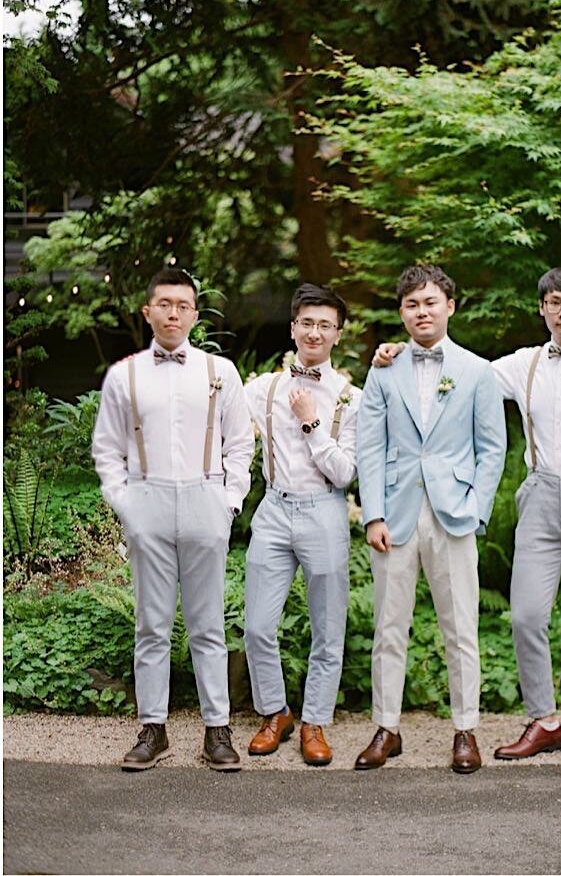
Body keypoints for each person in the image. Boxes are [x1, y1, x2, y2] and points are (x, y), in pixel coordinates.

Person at [371, 266, 561, 768]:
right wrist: (393, 353)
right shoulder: (522, 364)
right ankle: (545, 721)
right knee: (525, 617)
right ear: (542, 308)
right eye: (553, 302)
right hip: (540, 495)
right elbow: (458, 372)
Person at [91, 267, 254, 772]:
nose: (173, 313)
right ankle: (153, 727)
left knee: (208, 624)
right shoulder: (125, 375)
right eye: (164, 304)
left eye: (183, 305)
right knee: (152, 624)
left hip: (206, 497)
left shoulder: (219, 372)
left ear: (195, 314)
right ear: (148, 311)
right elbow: (107, 449)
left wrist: (228, 501)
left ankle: (217, 730)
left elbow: (240, 442)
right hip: (149, 501)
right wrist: (128, 507)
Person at [354, 264, 505, 774]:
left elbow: (493, 450)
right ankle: (386, 728)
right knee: (389, 627)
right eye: (413, 304)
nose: (423, 311)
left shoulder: (477, 371)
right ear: (402, 312)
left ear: (450, 307)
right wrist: (372, 513)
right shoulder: (382, 370)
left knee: (460, 627)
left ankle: (465, 730)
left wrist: (476, 510)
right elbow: (370, 447)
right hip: (394, 515)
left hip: (453, 514)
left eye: (431, 302)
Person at [240, 283, 360, 766]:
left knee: (328, 630)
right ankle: (275, 713)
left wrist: (312, 424)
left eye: (324, 325)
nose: (314, 331)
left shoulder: (351, 397)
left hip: (325, 510)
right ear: (293, 329)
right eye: (306, 322)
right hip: (273, 510)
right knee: (256, 626)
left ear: (337, 334)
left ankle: (315, 722)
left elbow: (348, 473)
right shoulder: (262, 389)